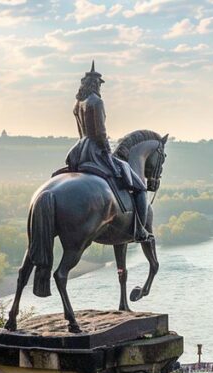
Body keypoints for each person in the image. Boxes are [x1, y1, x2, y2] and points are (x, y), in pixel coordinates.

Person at [62, 62, 151, 242]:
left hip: (79, 151)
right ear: (96, 84)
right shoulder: (96, 101)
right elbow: (101, 134)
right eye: (99, 84)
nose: (99, 87)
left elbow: (82, 132)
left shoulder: (78, 103)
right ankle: (140, 229)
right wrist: (107, 150)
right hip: (96, 151)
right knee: (140, 187)